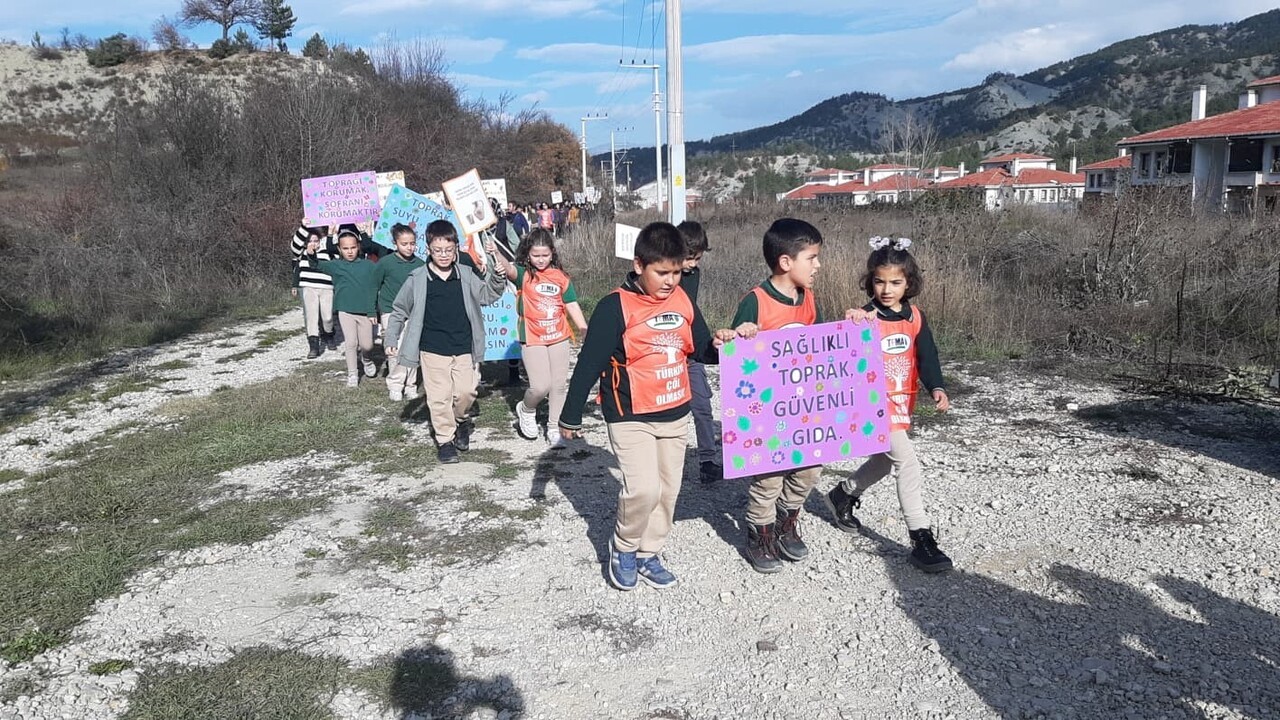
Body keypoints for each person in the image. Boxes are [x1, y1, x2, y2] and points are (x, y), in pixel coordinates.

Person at [559, 222, 734, 591]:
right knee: (643, 490)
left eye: (676, 272)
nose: (671, 280)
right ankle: (623, 547)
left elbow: (700, 349)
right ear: (639, 265)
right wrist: (570, 413)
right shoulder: (614, 307)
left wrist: (718, 345)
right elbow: (589, 362)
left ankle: (648, 552)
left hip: (674, 412)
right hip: (629, 415)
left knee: (668, 489)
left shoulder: (683, 299)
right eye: (662, 272)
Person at [729, 218, 863, 574]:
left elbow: (816, 350)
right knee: (768, 478)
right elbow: (735, 354)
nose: (818, 265)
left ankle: (788, 520)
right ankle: (760, 532)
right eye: (812, 257)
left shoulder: (808, 299)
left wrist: (850, 329)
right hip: (767, 414)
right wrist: (741, 334)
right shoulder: (755, 301)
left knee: (808, 470)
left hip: (804, 410)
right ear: (786, 262)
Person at [824, 236, 954, 573]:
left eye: (895, 282)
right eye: (879, 281)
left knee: (883, 461)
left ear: (909, 283)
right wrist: (852, 323)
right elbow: (842, 353)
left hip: (902, 404)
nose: (886, 289)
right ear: (870, 282)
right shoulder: (864, 317)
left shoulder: (915, 318)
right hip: (873, 407)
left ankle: (843, 494)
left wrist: (936, 386)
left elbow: (927, 356)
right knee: (907, 464)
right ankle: (921, 538)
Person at [384, 220, 507, 464]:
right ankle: (445, 441)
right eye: (437, 250)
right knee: (438, 397)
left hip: (463, 347)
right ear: (428, 249)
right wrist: (391, 336)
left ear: (456, 249)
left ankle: (460, 420)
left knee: (466, 392)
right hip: (432, 349)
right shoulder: (417, 278)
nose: (443, 255)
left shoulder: (467, 275)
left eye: (448, 250)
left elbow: (487, 295)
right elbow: (399, 310)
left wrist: (498, 277)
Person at [500, 228, 589, 447]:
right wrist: (494, 253)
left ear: (552, 253)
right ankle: (526, 409)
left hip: (558, 335)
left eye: (545, 255)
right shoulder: (523, 273)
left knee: (558, 385)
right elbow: (508, 269)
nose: (540, 260)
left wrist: (583, 327)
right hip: (532, 335)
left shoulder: (561, 277)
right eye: (535, 255)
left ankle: (553, 426)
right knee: (540, 386)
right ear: (527, 254)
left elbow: (570, 303)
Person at [676, 221, 723, 484]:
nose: (692, 264)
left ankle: (707, 461)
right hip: (667, 355)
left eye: (697, 258)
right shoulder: (658, 275)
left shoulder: (693, 275)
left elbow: (692, 311)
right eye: (689, 258)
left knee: (703, 406)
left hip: (691, 352)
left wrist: (706, 347)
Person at [308, 229, 380, 387]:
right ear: (339, 249)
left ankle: (366, 360)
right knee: (351, 343)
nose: (350, 251)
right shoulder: (335, 265)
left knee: (367, 345)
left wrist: (373, 310)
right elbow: (316, 264)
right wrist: (311, 253)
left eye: (353, 247)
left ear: (358, 247)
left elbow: (375, 285)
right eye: (346, 248)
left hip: (365, 311)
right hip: (345, 310)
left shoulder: (368, 266)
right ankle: (352, 374)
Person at [373, 223, 426, 401]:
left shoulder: (420, 264)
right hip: (390, 310)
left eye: (412, 243)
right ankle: (395, 385)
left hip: (414, 312)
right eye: (404, 244)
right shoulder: (385, 263)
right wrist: (373, 311)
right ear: (395, 243)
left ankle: (410, 384)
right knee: (394, 348)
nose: (409, 247)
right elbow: (374, 286)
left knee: (412, 349)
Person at [290, 223, 336, 357]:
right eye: (310, 241)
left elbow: (335, 248)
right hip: (308, 287)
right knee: (312, 316)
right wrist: (304, 227)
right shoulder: (301, 252)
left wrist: (332, 232)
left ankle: (328, 334)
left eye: (315, 241)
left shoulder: (326, 251)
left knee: (327, 317)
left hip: (326, 287)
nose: (313, 243)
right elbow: (295, 245)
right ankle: (314, 347)